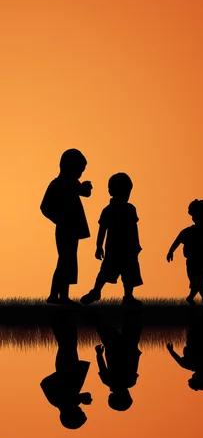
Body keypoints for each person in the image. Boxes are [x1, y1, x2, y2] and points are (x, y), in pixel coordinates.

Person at [81, 173, 143, 306]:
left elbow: (133, 229)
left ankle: (128, 297)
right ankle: (96, 291)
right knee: (105, 272)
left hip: (128, 249)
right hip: (114, 249)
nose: (128, 194)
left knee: (129, 274)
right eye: (126, 191)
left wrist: (136, 245)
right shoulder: (109, 210)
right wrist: (99, 246)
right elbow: (102, 230)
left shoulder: (130, 209)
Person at [40, 149, 92, 304]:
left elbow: (84, 193)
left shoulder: (71, 183)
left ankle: (59, 296)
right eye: (78, 171)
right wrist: (59, 219)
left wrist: (86, 187)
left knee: (67, 261)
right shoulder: (57, 185)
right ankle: (57, 296)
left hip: (72, 229)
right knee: (65, 260)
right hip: (64, 229)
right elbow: (44, 207)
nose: (80, 175)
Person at [41, 312, 92, 429]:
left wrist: (62, 375)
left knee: (67, 342)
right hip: (69, 366)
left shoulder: (61, 402)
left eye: (80, 413)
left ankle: (58, 316)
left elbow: (45, 383)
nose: (81, 410)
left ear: (72, 415)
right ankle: (61, 316)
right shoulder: (67, 402)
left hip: (65, 366)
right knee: (69, 341)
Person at [94, 311, 143, 411]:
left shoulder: (130, 382)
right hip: (113, 348)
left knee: (130, 321)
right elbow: (102, 366)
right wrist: (99, 354)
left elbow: (134, 363)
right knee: (102, 324)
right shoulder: (108, 381)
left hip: (128, 347)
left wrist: (136, 351)